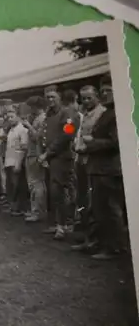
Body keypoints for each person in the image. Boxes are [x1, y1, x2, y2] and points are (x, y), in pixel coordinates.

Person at [75, 77, 127, 260]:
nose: (105, 94)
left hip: (108, 168)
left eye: (108, 91)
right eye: (103, 91)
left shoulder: (114, 114)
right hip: (96, 166)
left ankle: (115, 248)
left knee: (110, 209)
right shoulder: (106, 114)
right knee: (98, 207)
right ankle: (99, 242)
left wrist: (91, 144)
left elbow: (115, 143)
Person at [39, 85, 80, 240]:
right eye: (48, 97)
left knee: (60, 191)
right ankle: (57, 223)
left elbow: (66, 136)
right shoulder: (49, 114)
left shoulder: (67, 113)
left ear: (59, 98)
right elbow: (45, 135)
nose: (50, 100)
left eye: (53, 97)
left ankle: (64, 225)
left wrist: (48, 153)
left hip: (62, 157)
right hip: (51, 158)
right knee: (53, 192)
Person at [21, 96, 47, 223]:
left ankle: (38, 212)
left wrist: (28, 126)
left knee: (36, 184)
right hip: (31, 153)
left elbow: (38, 138)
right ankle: (35, 210)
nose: (31, 109)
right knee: (33, 184)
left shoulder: (42, 118)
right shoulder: (36, 118)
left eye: (32, 106)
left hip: (36, 154)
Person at [4, 106, 29, 217]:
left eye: (12, 117)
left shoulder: (22, 130)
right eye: (8, 117)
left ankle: (20, 208)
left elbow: (23, 148)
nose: (10, 119)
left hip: (17, 160)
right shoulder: (11, 130)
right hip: (9, 160)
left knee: (18, 185)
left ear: (18, 117)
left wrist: (18, 163)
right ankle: (14, 206)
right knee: (12, 185)